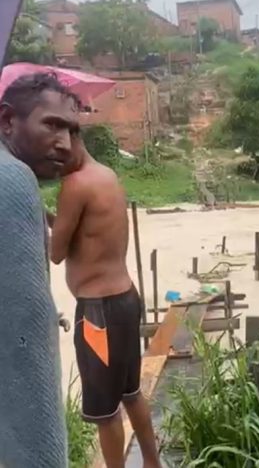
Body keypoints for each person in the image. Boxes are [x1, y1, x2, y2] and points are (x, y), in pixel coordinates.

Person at [50, 101, 162, 467]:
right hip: (126, 299)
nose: (55, 156)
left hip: (98, 312)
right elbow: (88, 235)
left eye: (58, 146)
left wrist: (40, 217)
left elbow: (56, 252)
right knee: (131, 392)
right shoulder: (107, 176)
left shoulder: (74, 185)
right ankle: (151, 461)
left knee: (104, 410)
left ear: (75, 138)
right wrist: (55, 218)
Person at [0, 73, 72, 467]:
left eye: (72, 130)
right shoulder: (12, 178)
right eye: (52, 124)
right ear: (8, 121)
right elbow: (25, 340)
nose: (65, 143)